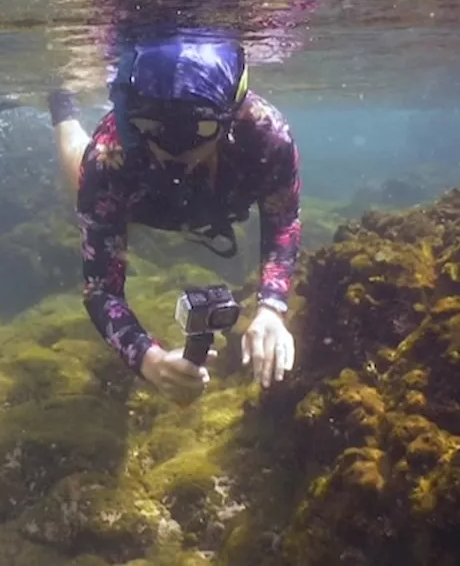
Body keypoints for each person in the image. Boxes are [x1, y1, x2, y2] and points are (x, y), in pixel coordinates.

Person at [47, 29, 301, 405]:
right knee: (80, 172)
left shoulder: (265, 134)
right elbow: (100, 288)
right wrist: (148, 358)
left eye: (198, 128)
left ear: (230, 115)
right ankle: (62, 110)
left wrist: (270, 307)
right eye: (155, 127)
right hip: (139, 193)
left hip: (220, 195)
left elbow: (283, 219)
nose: (174, 150)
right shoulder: (110, 154)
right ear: (136, 118)